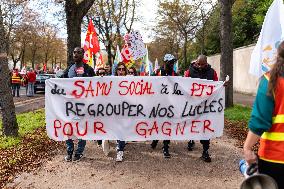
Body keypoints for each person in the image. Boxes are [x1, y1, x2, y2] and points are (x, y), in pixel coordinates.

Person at [243, 41, 284, 189]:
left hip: (275, 159)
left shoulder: (270, 81)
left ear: (277, 55)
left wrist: (247, 148)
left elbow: (260, 120)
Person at [61, 47, 95, 162]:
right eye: (74, 52)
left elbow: (95, 86)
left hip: (84, 106)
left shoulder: (88, 69)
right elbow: (61, 82)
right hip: (70, 106)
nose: (76, 54)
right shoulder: (69, 68)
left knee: (82, 129)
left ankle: (79, 152)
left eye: (78, 52)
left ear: (83, 54)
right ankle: (69, 151)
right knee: (68, 128)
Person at [184, 55, 218, 162]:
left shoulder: (212, 72)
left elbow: (217, 85)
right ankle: (191, 139)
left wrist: (223, 85)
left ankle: (205, 151)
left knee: (205, 127)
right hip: (192, 104)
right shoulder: (189, 72)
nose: (199, 66)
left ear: (206, 63)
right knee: (192, 123)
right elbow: (183, 85)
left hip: (206, 105)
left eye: (202, 64)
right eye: (198, 64)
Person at [150, 54, 179, 158]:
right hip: (157, 105)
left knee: (167, 125)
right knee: (158, 124)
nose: (172, 64)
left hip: (170, 105)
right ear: (165, 62)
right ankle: (155, 139)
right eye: (170, 62)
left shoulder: (175, 74)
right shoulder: (157, 73)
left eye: (173, 62)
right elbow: (149, 84)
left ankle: (165, 147)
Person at [115, 62, 128, 162]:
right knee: (117, 129)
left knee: (122, 130)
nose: (121, 71)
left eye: (123, 69)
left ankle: (120, 150)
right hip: (114, 110)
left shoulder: (130, 80)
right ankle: (119, 144)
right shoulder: (111, 80)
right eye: (119, 69)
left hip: (126, 110)